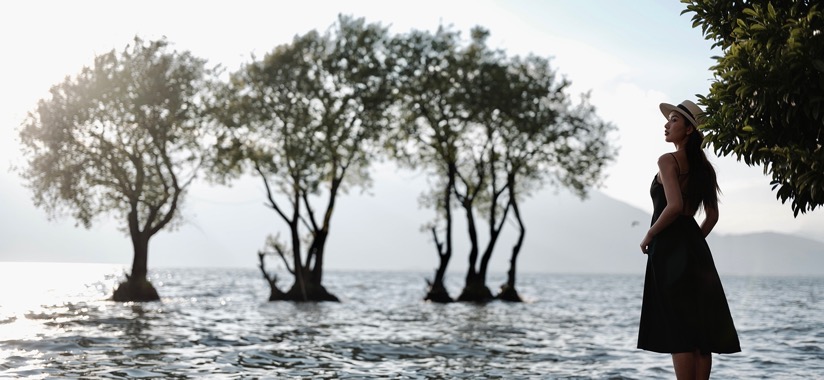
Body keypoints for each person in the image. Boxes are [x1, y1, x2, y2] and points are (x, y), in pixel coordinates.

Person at [637, 100, 741, 379]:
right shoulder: (705, 169)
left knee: (678, 329)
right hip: (695, 249)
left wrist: (649, 234)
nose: (666, 125)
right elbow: (712, 216)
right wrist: (692, 242)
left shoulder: (667, 160)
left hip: (669, 249)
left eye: (673, 120)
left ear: (689, 130)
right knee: (699, 329)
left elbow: (672, 206)